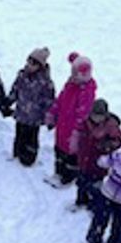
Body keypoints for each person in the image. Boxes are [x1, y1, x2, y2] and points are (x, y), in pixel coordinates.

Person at [45, 53, 97, 187]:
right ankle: (58, 173)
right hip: (63, 125)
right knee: (59, 150)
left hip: (73, 129)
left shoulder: (87, 91)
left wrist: (77, 132)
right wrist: (52, 112)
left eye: (76, 74)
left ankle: (67, 178)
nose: (73, 76)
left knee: (70, 155)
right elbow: (61, 99)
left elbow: (83, 114)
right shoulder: (70, 84)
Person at [72, 99, 121, 210]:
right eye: (94, 115)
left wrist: (105, 146)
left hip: (98, 163)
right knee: (81, 182)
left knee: (95, 186)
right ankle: (81, 201)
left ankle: (94, 204)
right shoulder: (85, 122)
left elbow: (118, 142)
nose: (97, 119)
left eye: (100, 116)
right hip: (83, 159)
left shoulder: (111, 126)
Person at [7, 47, 55, 165]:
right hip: (21, 112)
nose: (29, 65)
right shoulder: (22, 75)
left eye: (33, 63)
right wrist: (9, 100)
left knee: (31, 137)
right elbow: (16, 88)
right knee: (19, 134)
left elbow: (49, 100)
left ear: (40, 66)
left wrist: (49, 117)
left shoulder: (45, 82)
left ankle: (29, 156)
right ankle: (17, 152)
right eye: (28, 61)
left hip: (35, 117)